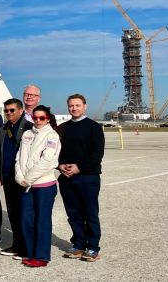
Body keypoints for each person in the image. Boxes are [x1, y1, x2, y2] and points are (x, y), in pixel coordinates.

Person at [58, 93, 105, 262]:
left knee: (90, 213)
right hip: (67, 177)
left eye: (77, 105)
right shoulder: (63, 128)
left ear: (85, 106)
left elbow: (97, 154)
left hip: (88, 177)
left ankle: (92, 247)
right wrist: (60, 165)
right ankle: (78, 244)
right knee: (73, 214)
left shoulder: (94, 127)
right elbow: (56, 151)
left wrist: (79, 167)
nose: (74, 108)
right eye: (71, 105)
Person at [15, 105, 61, 268]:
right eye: (35, 117)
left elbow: (47, 161)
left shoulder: (52, 136)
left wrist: (28, 179)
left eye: (42, 118)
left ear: (48, 118)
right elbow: (19, 157)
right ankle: (30, 251)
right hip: (25, 184)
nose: (38, 120)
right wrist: (19, 176)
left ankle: (41, 256)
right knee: (26, 220)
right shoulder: (27, 134)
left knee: (42, 221)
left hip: (43, 185)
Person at [0, 98, 32, 259]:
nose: (8, 113)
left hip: (23, 178)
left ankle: (27, 247)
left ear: (20, 110)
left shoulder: (29, 128)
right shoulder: (3, 129)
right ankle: (17, 245)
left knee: (24, 213)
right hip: (7, 177)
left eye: (12, 110)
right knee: (12, 212)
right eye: (6, 110)